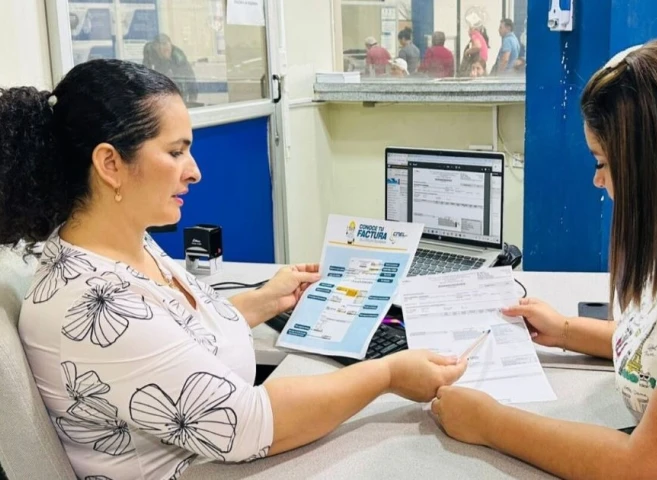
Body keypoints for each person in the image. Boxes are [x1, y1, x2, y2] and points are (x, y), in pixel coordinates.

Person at [0, 59, 467, 480]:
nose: (194, 171)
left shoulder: (123, 245)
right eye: (176, 151)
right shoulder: (91, 305)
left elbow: (175, 330)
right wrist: (385, 375)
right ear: (110, 164)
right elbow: (244, 424)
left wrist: (264, 300)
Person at [433, 40, 657, 479]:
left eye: (603, 162)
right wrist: (567, 331)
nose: (598, 180)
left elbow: (648, 468)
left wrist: (489, 423)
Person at [142, 34, 198, 104]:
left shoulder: (179, 60)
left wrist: (192, 99)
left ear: (170, 45)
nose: (162, 48)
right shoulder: (150, 57)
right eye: (159, 46)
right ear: (155, 47)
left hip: (178, 98)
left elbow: (190, 80)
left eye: (165, 45)